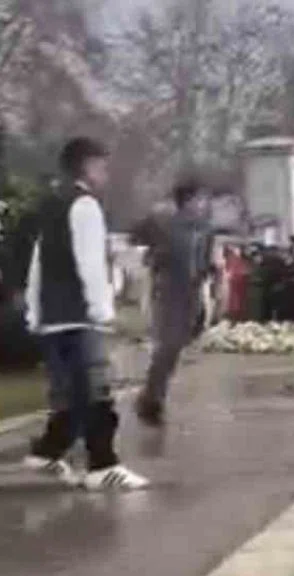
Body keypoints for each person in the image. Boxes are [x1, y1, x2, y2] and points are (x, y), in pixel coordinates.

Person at [21, 137, 149, 489]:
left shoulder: (53, 206)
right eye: (103, 167)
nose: (106, 174)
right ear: (88, 166)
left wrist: (35, 313)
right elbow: (91, 265)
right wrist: (103, 312)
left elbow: (37, 266)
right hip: (79, 318)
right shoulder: (86, 206)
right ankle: (102, 465)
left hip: (53, 319)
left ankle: (47, 452)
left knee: (71, 395)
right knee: (94, 394)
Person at [136, 179, 214, 427]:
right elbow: (150, 257)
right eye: (200, 199)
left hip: (193, 292)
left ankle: (153, 396)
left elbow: (206, 262)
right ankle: (151, 400)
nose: (204, 204)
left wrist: (206, 285)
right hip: (169, 292)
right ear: (188, 201)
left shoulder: (206, 230)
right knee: (167, 346)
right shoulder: (166, 227)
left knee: (176, 347)